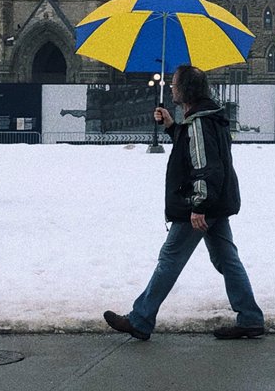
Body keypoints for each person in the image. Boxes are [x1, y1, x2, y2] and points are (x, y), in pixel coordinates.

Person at [103, 64, 264, 342]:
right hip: (216, 203)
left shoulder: (200, 121)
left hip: (200, 205)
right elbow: (195, 149)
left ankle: (141, 319)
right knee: (227, 259)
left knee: (170, 259)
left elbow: (206, 166)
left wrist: (199, 205)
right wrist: (171, 126)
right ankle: (250, 318)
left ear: (186, 89)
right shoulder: (204, 118)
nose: (172, 86)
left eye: (175, 83)